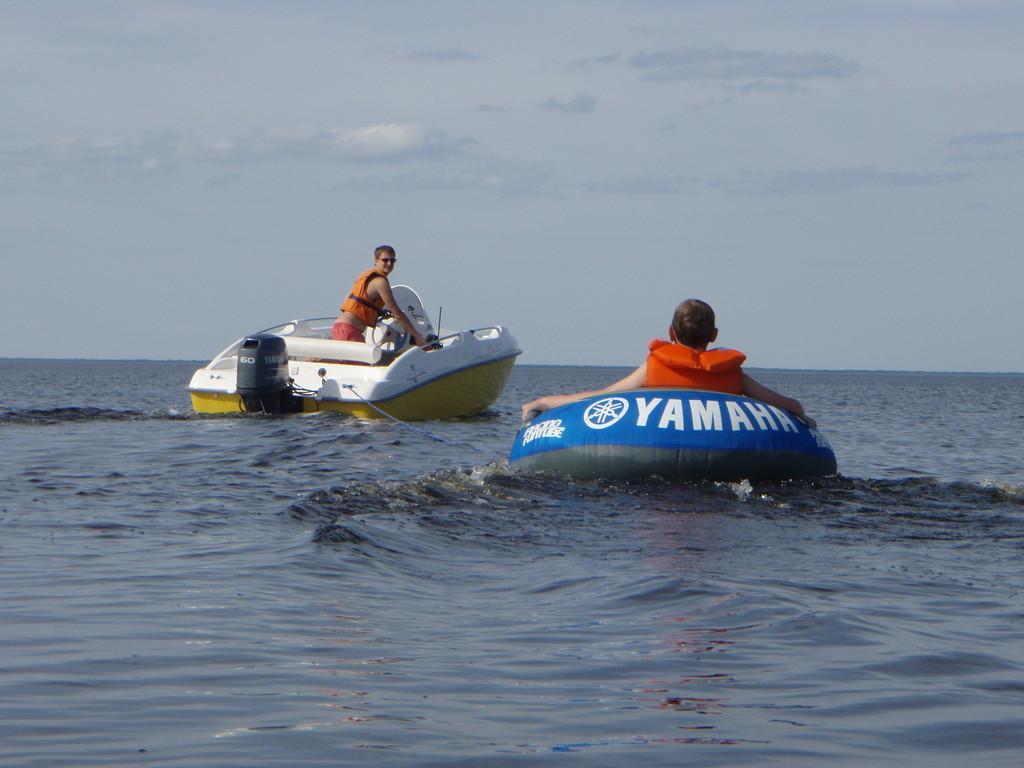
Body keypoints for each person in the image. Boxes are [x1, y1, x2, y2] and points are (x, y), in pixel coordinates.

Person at [522, 298, 816, 427]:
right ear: (713, 336)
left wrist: (546, 401)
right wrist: (804, 420)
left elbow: (602, 397)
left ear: (670, 333)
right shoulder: (732, 375)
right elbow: (789, 406)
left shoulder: (654, 368)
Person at [331, 245, 428, 347]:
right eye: (385, 260)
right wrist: (417, 336)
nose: (389, 263)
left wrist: (379, 312)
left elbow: (348, 303)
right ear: (376, 260)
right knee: (362, 363)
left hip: (340, 327)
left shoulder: (364, 275)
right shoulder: (381, 282)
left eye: (392, 260)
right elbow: (398, 314)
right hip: (349, 330)